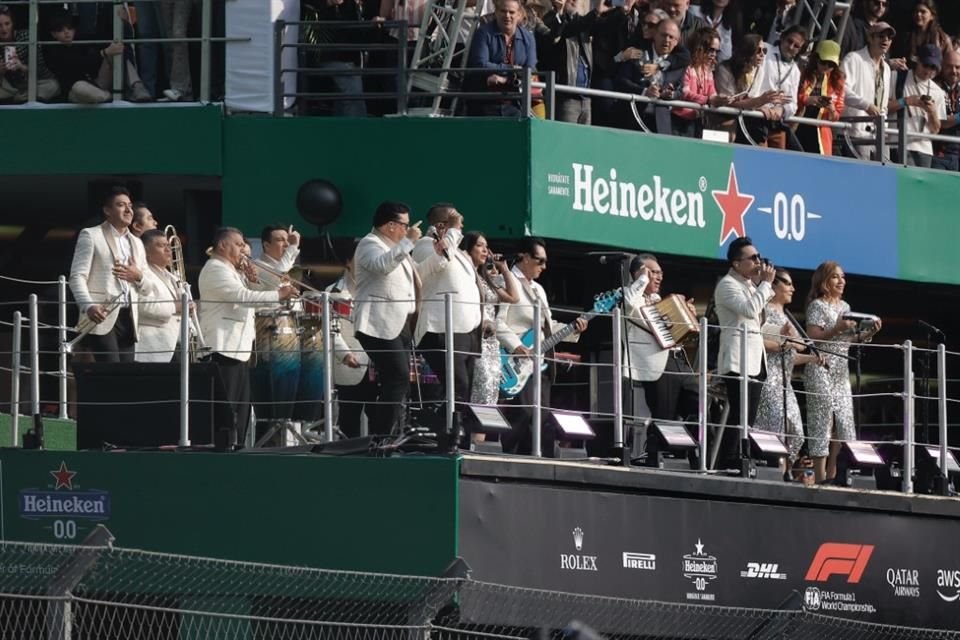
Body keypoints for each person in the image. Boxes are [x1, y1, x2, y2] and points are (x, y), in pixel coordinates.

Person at [198, 227, 295, 446]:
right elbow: (242, 297)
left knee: (241, 409)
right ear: (223, 245)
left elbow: (249, 294)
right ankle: (225, 449)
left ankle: (237, 447)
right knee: (227, 409)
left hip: (238, 349)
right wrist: (279, 294)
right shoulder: (215, 268)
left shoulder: (232, 270)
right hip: (222, 347)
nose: (244, 250)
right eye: (239, 244)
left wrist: (253, 280)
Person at [496, 237, 586, 457]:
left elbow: (546, 327)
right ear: (523, 257)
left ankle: (534, 459)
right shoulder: (505, 280)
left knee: (540, 415)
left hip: (539, 361)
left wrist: (573, 328)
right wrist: (516, 346)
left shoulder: (539, 289)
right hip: (515, 359)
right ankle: (510, 457)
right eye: (540, 261)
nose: (544, 267)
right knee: (523, 413)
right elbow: (497, 321)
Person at [804, 261, 881, 483]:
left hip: (841, 371)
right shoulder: (817, 306)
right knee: (822, 421)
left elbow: (848, 341)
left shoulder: (845, 306)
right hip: (821, 368)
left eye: (843, 277)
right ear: (824, 281)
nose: (841, 281)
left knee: (843, 422)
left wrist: (867, 335)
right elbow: (813, 338)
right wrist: (837, 328)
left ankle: (834, 474)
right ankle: (819, 478)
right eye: (836, 277)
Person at [411, 203, 482, 443]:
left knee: (463, 390)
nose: (461, 228)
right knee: (457, 386)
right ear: (442, 225)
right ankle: (435, 428)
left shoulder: (458, 251)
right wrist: (451, 232)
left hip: (466, 329)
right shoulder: (423, 244)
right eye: (456, 223)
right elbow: (436, 264)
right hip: (441, 327)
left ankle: (453, 436)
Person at [352, 201, 422, 435]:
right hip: (377, 323)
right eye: (405, 225)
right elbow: (381, 266)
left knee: (401, 382)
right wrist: (408, 242)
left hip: (400, 323)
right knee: (397, 377)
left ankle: (395, 433)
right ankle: (382, 436)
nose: (408, 229)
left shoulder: (396, 248)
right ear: (391, 225)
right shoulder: (369, 243)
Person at [68, 186, 153, 363]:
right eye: (121, 205)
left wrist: (138, 276)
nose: (128, 209)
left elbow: (148, 287)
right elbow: (77, 277)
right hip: (102, 314)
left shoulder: (137, 243)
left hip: (129, 316)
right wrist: (89, 306)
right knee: (110, 372)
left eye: (130, 205)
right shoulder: (91, 235)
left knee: (127, 376)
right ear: (107, 211)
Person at [713, 236, 775, 471]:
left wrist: (761, 285)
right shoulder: (728, 284)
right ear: (737, 263)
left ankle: (741, 454)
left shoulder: (750, 285)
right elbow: (749, 310)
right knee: (740, 413)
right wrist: (766, 285)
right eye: (752, 258)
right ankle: (730, 459)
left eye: (758, 257)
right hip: (737, 359)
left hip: (754, 359)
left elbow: (758, 321)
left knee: (748, 415)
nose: (758, 261)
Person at [754, 269, 822, 476]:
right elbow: (758, 341)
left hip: (785, 382)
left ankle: (786, 471)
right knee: (778, 425)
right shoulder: (764, 309)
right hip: (769, 378)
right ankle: (777, 471)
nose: (793, 288)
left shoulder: (787, 315)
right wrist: (786, 343)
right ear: (774, 285)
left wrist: (812, 358)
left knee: (796, 431)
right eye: (788, 284)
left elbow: (793, 352)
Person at [462, 231, 519, 443]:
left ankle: (480, 442)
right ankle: (474, 443)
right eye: (480, 246)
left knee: (490, 391)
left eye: (487, 246)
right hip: (475, 336)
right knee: (481, 389)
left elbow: (514, 297)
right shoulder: (467, 274)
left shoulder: (487, 278)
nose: (486, 250)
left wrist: (504, 268)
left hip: (491, 343)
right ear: (468, 248)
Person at [43, 11, 151, 103]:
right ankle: (114, 98)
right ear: (54, 34)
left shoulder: (81, 40)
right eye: (61, 30)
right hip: (75, 92)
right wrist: (104, 53)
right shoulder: (52, 50)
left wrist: (122, 21)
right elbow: (75, 64)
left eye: (70, 28)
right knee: (79, 87)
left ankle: (136, 85)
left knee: (117, 48)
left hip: (97, 82)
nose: (66, 32)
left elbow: (105, 42)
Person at [326, 244, 374, 439]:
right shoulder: (333, 291)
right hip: (348, 361)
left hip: (375, 361)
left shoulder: (376, 288)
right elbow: (329, 328)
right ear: (348, 262)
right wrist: (343, 353)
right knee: (349, 418)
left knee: (378, 417)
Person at [614, 19, 690, 132]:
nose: (667, 40)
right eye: (663, 35)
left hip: (661, 125)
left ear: (677, 41)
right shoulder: (636, 53)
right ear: (654, 34)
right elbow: (621, 81)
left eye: (671, 37)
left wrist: (671, 94)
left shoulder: (678, 64)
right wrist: (644, 91)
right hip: (631, 121)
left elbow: (681, 91)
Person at [466, 0, 538, 117]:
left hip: (515, 104)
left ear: (519, 14)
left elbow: (531, 70)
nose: (507, 16)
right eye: (503, 11)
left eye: (511, 12)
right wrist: (510, 68)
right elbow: (480, 64)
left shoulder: (528, 38)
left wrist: (504, 79)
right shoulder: (483, 33)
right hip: (484, 102)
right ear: (496, 12)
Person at [712, 35, 783, 142]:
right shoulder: (725, 69)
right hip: (723, 116)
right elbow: (729, 103)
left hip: (746, 117)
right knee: (729, 135)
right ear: (747, 51)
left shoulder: (759, 70)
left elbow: (751, 99)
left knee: (774, 135)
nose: (762, 54)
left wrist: (769, 105)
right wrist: (760, 101)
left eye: (764, 50)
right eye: (758, 50)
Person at [841, 22, 895, 160]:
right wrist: (866, 105)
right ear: (870, 38)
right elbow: (842, 89)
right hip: (857, 131)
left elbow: (883, 104)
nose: (885, 40)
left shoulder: (887, 68)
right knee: (861, 176)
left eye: (889, 37)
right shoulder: (854, 58)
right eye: (881, 36)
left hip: (880, 133)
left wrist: (885, 127)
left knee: (883, 176)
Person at [889, 43, 946, 167]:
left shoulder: (939, 92)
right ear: (917, 61)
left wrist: (932, 112)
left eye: (933, 67)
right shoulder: (896, 77)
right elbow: (883, 109)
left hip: (924, 149)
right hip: (897, 143)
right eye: (926, 65)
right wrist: (905, 101)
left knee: (921, 187)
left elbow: (936, 130)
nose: (928, 70)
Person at [750, 25, 806, 149]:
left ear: (800, 50)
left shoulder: (795, 71)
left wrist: (782, 110)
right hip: (756, 115)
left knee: (779, 159)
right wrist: (759, 104)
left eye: (796, 46)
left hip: (776, 121)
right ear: (782, 37)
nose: (791, 47)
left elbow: (793, 104)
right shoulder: (765, 50)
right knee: (759, 156)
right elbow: (750, 81)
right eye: (789, 41)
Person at [135, 229, 184, 363]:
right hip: (151, 347)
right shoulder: (142, 274)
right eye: (161, 246)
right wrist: (176, 307)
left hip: (174, 344)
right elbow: (141, 306)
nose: (168, 250)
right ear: (146, 252)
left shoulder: (171, 276)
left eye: (168, 245)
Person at [673, 26, 727, 137]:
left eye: (716, 51)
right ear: (700, 47)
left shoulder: (708, 70)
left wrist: (721, 99)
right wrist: (708, 100)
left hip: (696, 120)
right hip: (677, 119)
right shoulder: (686, 66)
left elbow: (712, 93)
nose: (714, 54)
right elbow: (684, 92)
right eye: (711, 49)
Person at [796, 39, 845, 156]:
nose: (827, 66)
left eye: (832, 64)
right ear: (816, 58)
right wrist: (807, 100)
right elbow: (790, 98)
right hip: (797, 126)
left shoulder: (838, 82)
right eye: (824, 62)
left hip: (820, 132)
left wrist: (831, 108)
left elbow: (836, 116)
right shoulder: (802, 73)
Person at [0, 5, 59, 102]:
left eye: (7, 24)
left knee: (52, 86)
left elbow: (39, 68)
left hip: (38, 82)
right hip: (12, 87)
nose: (4, 29)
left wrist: (21, 66)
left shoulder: (26, 36)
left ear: (13, 23)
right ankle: (22, 98)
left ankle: (21, 98)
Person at [250, 225, 301, 290]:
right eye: (280, 240)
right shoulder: (256, 266)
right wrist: (292, 247)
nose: (287, 244)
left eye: (288, 240)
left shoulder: (291, 262)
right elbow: (278, 282)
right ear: (267, 246)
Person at [933, 48, 960, 171]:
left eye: (958, 67)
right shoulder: (933, 87)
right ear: (942, 66)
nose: (954, 71)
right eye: (949, 67)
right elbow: (939, 122)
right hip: (939, 154)